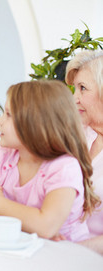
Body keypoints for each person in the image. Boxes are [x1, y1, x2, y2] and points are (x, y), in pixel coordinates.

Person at [0, 80, 100, 242]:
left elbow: (45, 226)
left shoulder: (64, 167)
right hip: (21, 248)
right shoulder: (3, 154)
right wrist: (16, 228)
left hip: (63, 256)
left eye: (8, 115)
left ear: (35, 124)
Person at [65, 50, 103, 252]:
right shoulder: (75, 136)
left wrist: (73, 251)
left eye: (82, 89)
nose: (74, 98)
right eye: (74, 89)